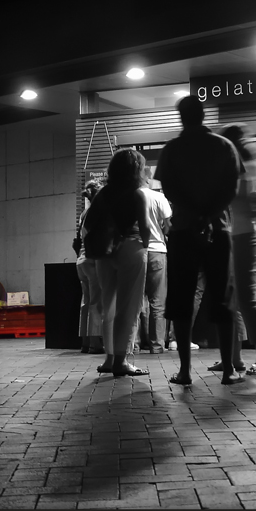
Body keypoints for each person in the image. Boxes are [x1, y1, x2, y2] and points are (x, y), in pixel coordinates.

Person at [155, 96, 243, 386]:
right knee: (223, 297)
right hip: (218, 228)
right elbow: (232, 188)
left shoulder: (172, 149)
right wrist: (208, 215)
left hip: (183, 230)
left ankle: (185, 370)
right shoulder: (224, 146)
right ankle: (229, 368)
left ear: (181, 116)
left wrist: (194, 215)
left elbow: (169, 188)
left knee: (181, 298)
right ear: (204, 114)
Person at [86, 148, 151, 378]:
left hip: (105, 253)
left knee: (109, 306)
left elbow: (88, 224)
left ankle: (110, 358)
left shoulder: (102, 193)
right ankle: (122, 361)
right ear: (137, 170)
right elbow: (145, 227)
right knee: (130, 307)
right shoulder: (138, 194)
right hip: (131, 249)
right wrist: (145, 245)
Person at [217, 123, 256, 375]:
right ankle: (234, 356)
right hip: (239, 234)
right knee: (235, 297)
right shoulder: (238, 166)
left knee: (247, 297)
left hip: (247, 235)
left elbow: (253, 201)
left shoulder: (246, 166)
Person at [131, 168, 172, 355]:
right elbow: (169, 225)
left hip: (136, 251)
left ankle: (135, 344)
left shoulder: (131, 197)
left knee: (137, 300)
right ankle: (157, 345)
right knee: (157, 301)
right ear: (147, 178)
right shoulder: (158, 198)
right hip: (158, 252)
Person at [77, 179, 104, 354]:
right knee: (96, 302)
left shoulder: (84, 214)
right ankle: (96, 343)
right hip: (93, 260)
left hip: (81, 260)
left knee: (85, 302)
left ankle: (85, 342)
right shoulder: (99, 212)